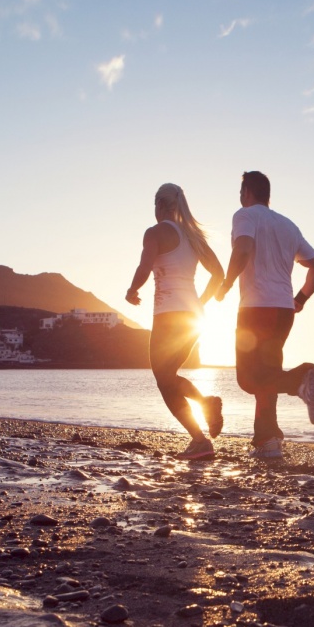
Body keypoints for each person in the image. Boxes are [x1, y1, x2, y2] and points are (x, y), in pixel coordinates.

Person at [215, 171, 314, 459]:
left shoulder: (245, 215)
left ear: (248, 192)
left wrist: (226, 284)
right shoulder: (288, 225)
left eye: (241, 192)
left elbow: (243, 248)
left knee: (248, 379)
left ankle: (300, 381)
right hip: (284, 310)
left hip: (256, 308)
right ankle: (268, 440)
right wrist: (299, 299)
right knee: (267, 373)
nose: (240, 197)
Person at [126, 183, 225, 460]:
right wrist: (200, 303)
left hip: (167, 317)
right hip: (193, 318)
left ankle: (200, 438)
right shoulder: (193, 237)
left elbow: (144, 266)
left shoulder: (155, 233)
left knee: (163, 379)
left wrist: (132, 290)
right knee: (167, 377)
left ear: (160, 204)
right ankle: (204, 413)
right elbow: (219, 274)